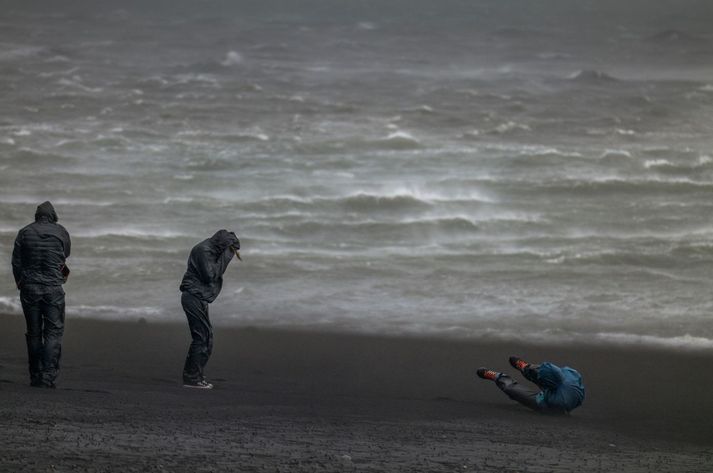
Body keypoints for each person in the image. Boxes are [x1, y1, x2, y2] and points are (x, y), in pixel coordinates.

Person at [11, 201, 71, 388]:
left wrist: (20, 283)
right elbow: (65, 256)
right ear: (53, 216)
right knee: (53, 333)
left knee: (34, 333)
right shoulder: (61, 232)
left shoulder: (24, 232)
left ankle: (35, 375)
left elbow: (16, 263)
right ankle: (48, 376)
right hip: (53, 289)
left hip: (30, 288)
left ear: (37, 216)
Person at [179, 229, 240, 389]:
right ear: (222, 243)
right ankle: (192, 379)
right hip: (193, 296)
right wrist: (227, 255)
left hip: (198, 296)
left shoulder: (211, 249)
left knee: (206, 337)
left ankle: (194, 375)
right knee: (202, 337)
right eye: (229, 246)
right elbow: (209, 275)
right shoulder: (203, 250)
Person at [477, 356, 585, 414]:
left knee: (513, 390)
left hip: (549, 405)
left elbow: (545, 394)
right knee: (540, 370)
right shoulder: (570, 372)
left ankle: (497, 376)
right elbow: (548, 371)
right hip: (559, 384)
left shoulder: (556, 401)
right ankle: (525, 367)